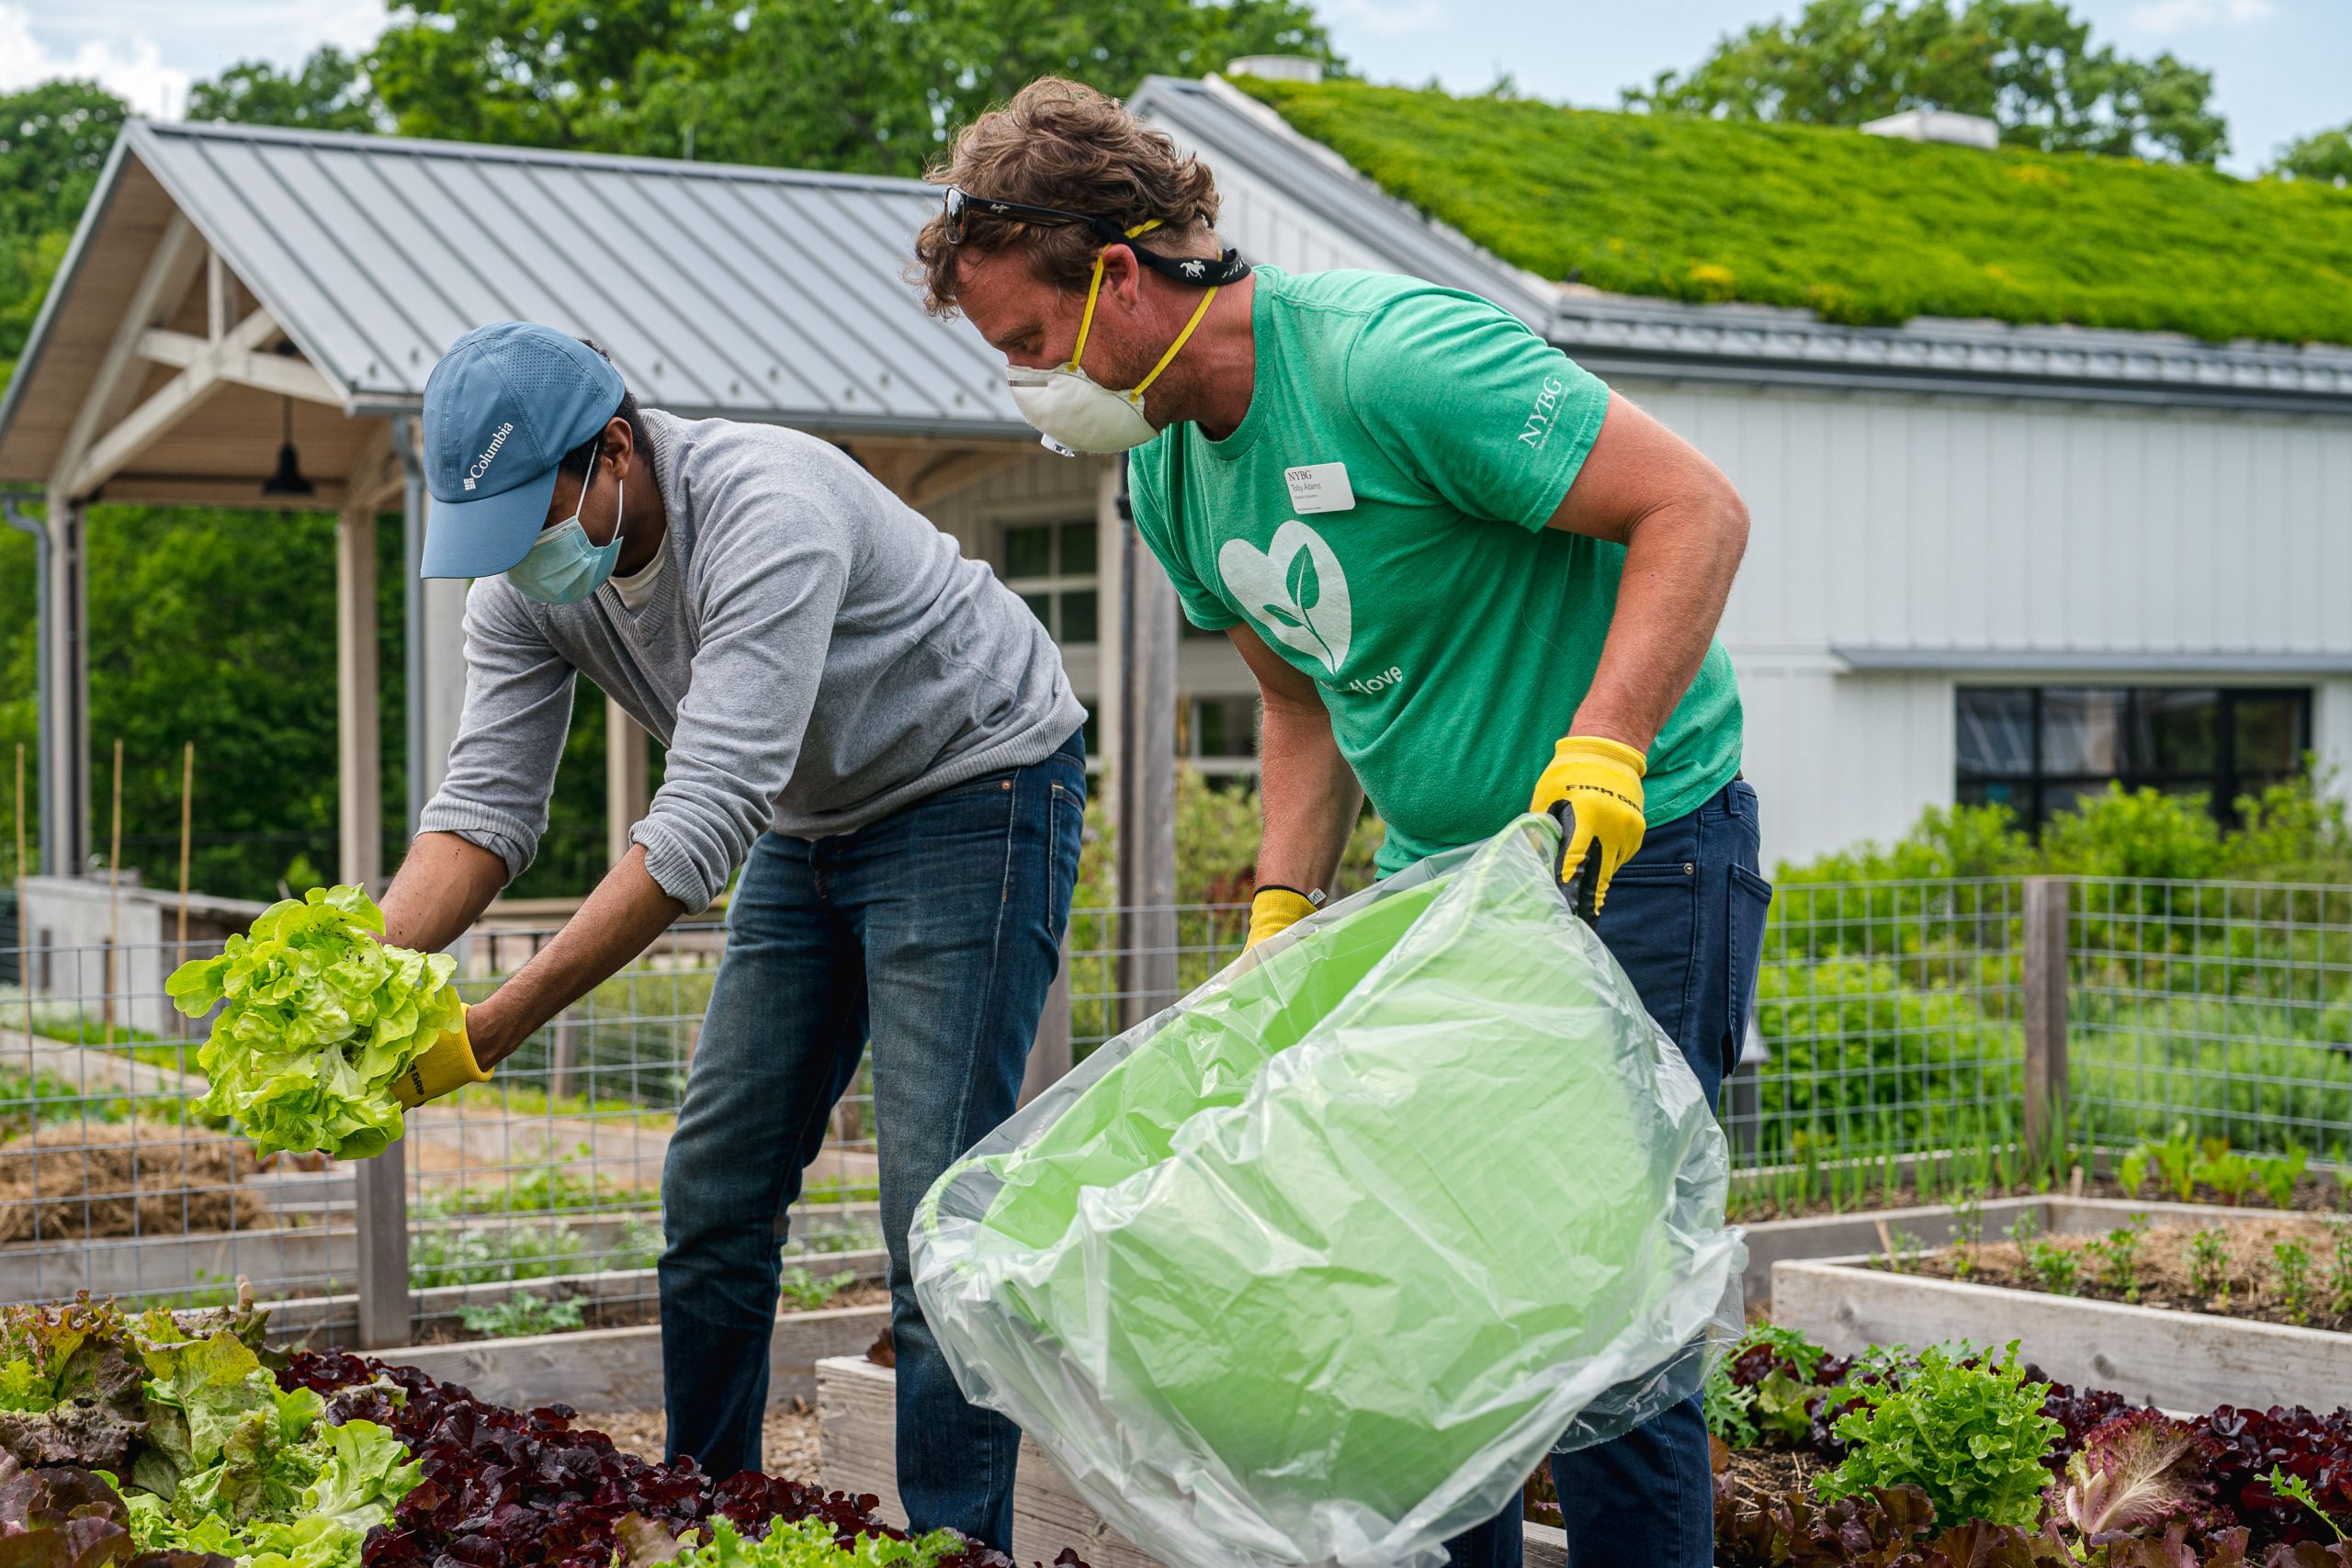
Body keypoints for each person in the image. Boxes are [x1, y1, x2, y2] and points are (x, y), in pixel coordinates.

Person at [915, 79, 1770, 1568]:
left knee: (1597, 1314)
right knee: (1429, 1306)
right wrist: (1282, 914)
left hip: (1632, 854)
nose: (1028, 387)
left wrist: (1608, 751)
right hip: (1444, 895)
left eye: (1031, 345)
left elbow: (1695, 509)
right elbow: (1302, 701)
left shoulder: (1390, 359)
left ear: (1119, 275)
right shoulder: (1172, 475)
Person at [376, 321, 1086, 1551]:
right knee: (714, 1194)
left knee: (934, 1225)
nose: (515, 562)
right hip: (811, 817)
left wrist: (485, 1030)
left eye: (527, 520)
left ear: (614, 450)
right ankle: (703, 1521)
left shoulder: (769, 508)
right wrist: (361, 991)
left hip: (976, 788)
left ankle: (962, 1547)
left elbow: (699, 826)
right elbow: (481, 813)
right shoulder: (524, 595)